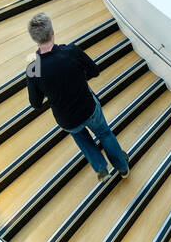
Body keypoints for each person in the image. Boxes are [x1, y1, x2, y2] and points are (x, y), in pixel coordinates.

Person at [25, 12, 129, 181]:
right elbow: (94, 71)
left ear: (35, 40)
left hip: (66, 118)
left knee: (82, 139)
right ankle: (122, 167)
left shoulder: (33, 70)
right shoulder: (71, 51)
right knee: (104, 133)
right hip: (89, 108)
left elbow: (35, 103)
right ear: (52, 32)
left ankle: (101, 169)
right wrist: (79, 78)